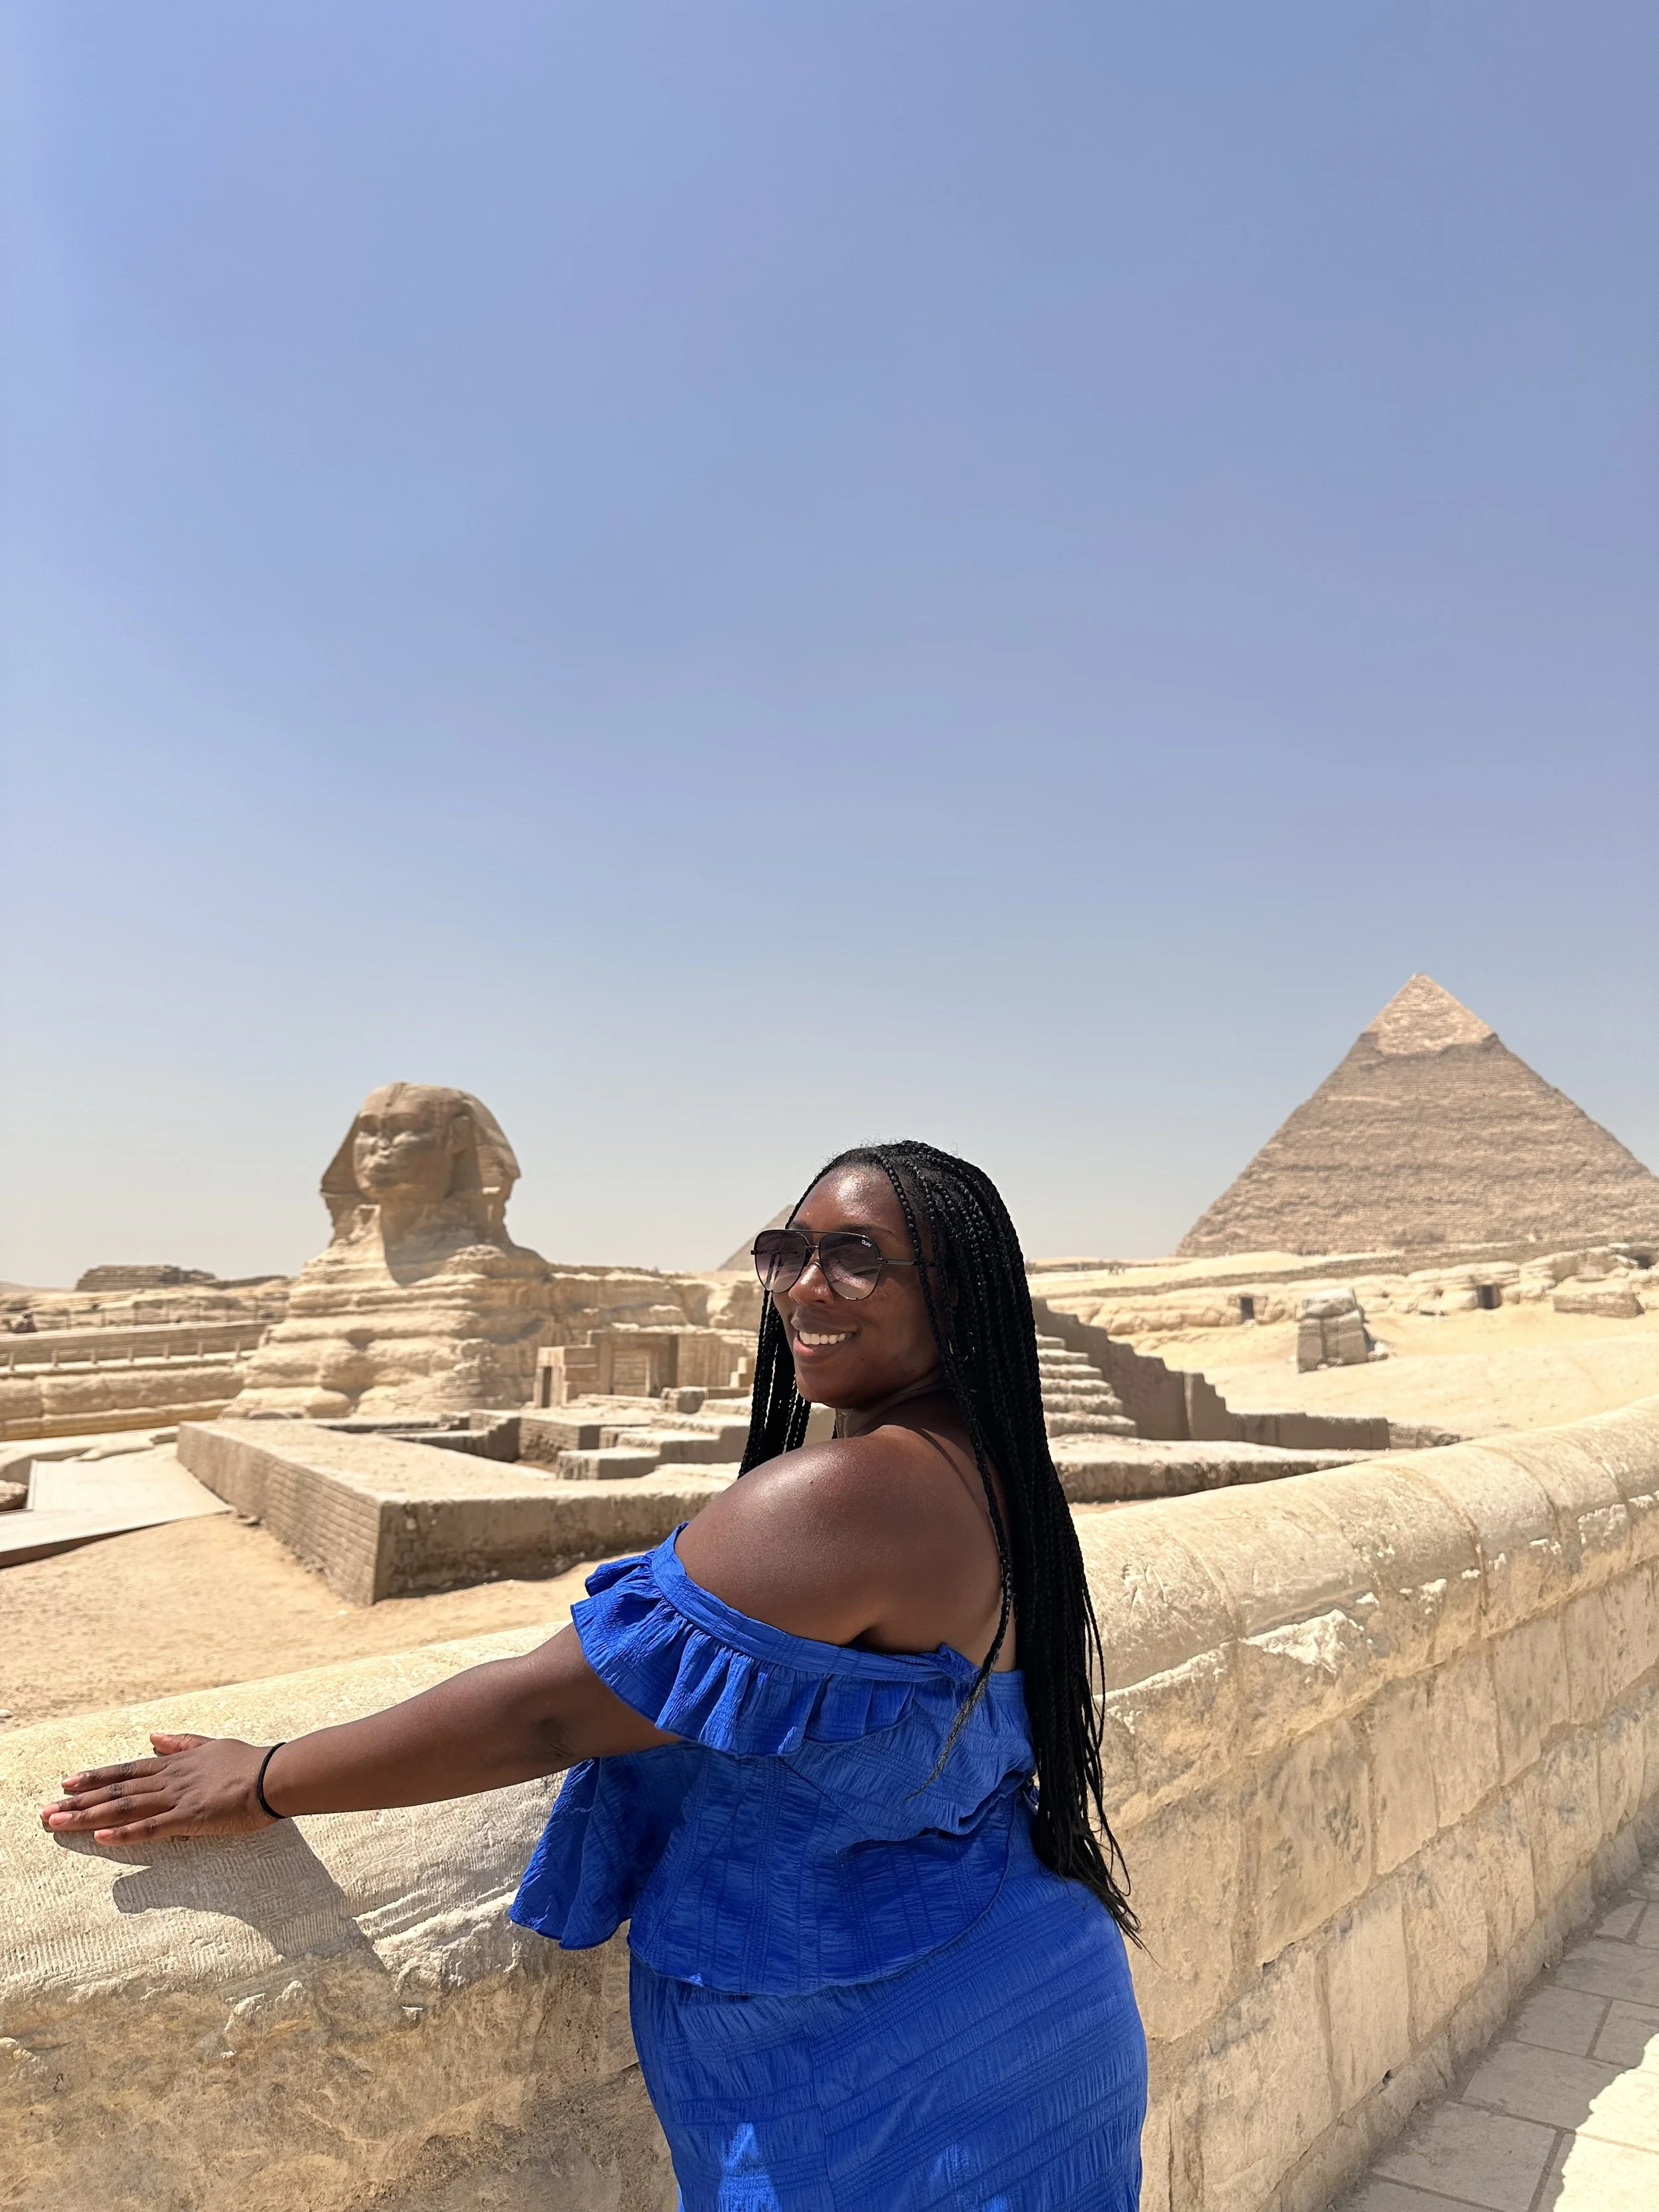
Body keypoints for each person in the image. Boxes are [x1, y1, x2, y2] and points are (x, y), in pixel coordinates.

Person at [42, 1140, 1147, 2209]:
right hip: (1019, 1994)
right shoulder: (988, 1468)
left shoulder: (849, 1495)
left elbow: (544, 1714)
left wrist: (268, 1775)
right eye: (784, 1249)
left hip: (882, 2066)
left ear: (959, 1294)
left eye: (857, 1256)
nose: (805, 1286)